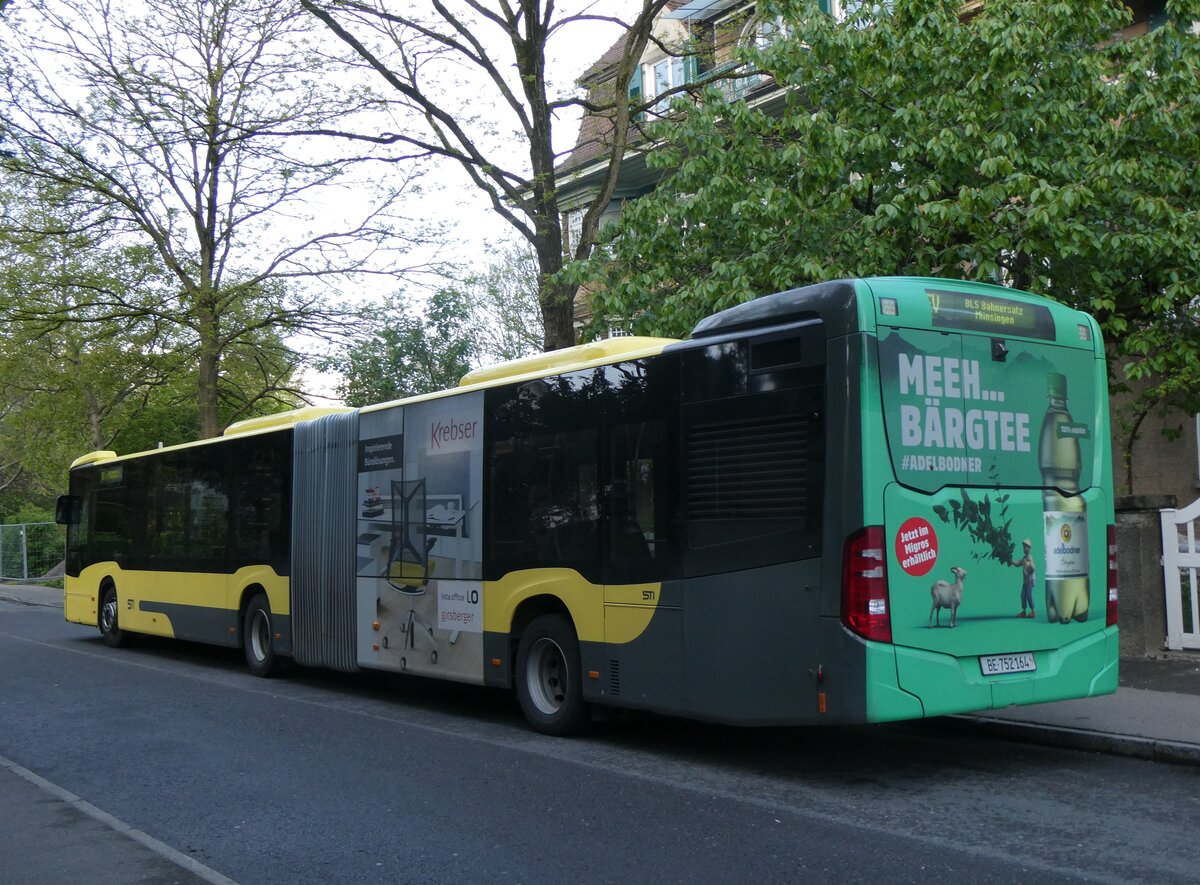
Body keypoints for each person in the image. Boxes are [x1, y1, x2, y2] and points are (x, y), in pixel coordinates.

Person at [1011, 538, 1036, 619]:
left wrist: (1030, 565)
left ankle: (1033, 611)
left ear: (1029, 548)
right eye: (1024, 547)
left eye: (1026, 547)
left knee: (1029, 596)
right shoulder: (1024, 558)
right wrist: (1011, 561)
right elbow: (1018, 563)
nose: (1025, 549)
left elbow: (1033, 568)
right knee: (1023, 595)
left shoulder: (1030, 558)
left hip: (1029, 581)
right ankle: (1024, 611)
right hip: (1025, 581)